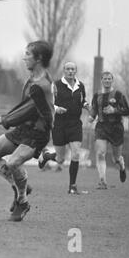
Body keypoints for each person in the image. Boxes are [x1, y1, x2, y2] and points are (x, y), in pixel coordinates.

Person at [0, 41, 54, 221]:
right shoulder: (33, 79)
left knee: (13, 163)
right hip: (23, 129)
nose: (24, 58)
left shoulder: (42, 85)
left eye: (28, 54)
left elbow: (27, 110)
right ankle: (19, 186)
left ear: (38, 59)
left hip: (38, 133)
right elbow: (24, 108)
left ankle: (22, 201)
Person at [38, 62, 90, 194]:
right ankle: (47, 157)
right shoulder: (55, 85)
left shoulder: (80, 85)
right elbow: (47, 102)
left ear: (75, 70)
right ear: (64, 70)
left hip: (75, 124)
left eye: (73, 69)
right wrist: (56, 108)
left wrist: (86, 105)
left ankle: (72, 186)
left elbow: (82, 100)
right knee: (60, 159)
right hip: (60, 124)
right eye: (68, 69)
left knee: (76, 153)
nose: (70, 71)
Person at [88, 71, 129, 189]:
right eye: (105, 79)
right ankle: (102, 181)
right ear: (101, 80)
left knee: (116, 158)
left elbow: (127, 111)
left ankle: (121, 166)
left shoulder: (118, 94)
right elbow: (94, 109)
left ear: (112, 80)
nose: (107, 80)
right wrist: (91, 117)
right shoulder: (97, 95)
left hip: (116, 128)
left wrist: (114, 110)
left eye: (109, 79)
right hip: (101, 127)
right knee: (100, 153)